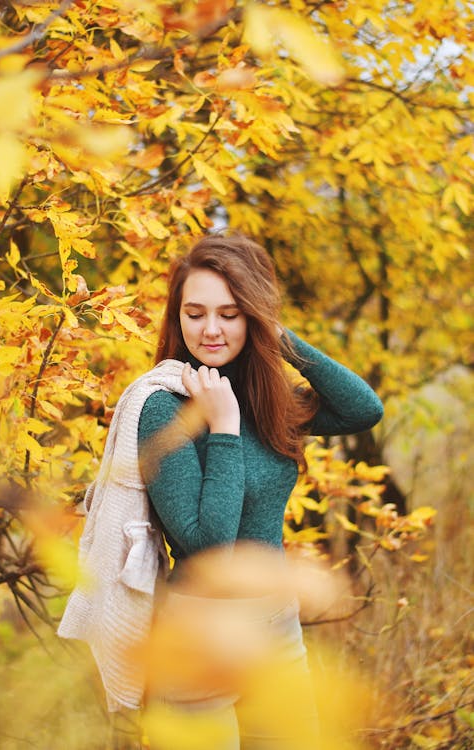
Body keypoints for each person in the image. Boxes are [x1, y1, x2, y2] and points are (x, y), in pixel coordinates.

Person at [135, 232, 384, 749]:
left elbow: (364, 409)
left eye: (230, 313)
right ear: (176, 317)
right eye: (195, 312)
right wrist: (223, 429)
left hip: (276, 620)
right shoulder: (163, 408)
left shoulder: (266, 398)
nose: (210, 330)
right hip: (199, 632)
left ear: (252, 314)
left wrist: (276, 337)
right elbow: (209, 547)